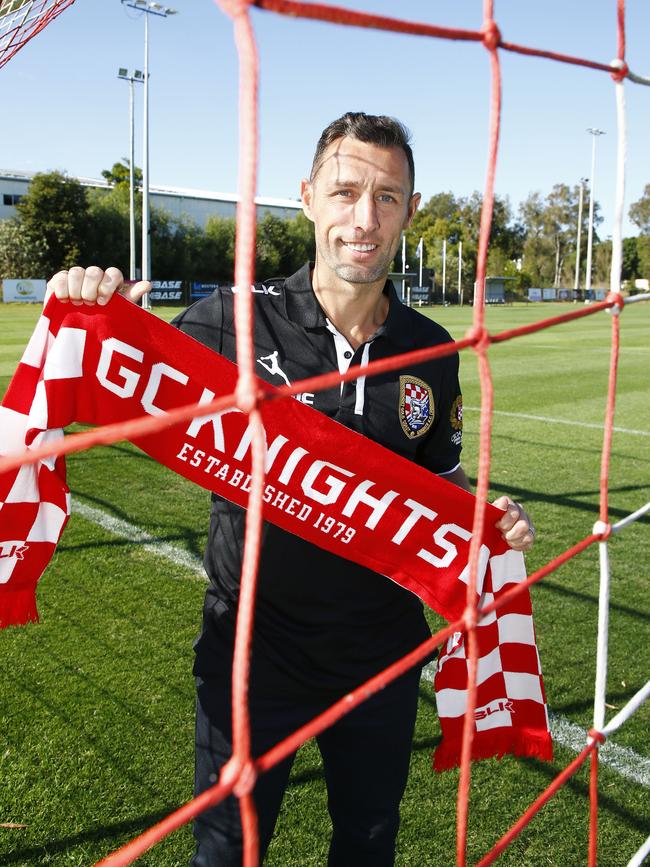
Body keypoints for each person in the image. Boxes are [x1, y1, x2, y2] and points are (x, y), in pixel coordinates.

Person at [48, 112, 534, 866]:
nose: (363, 218)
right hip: (251, 656)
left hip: (382, 656)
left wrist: (487, 519)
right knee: (227, 854)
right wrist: (91, 307)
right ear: (307, 197)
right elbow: (125, 374)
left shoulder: (433, 352)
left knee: (368, 845)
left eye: (387, 197)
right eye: (345, 191)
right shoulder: (228, 323)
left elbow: (441, 484)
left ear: (410, 208)